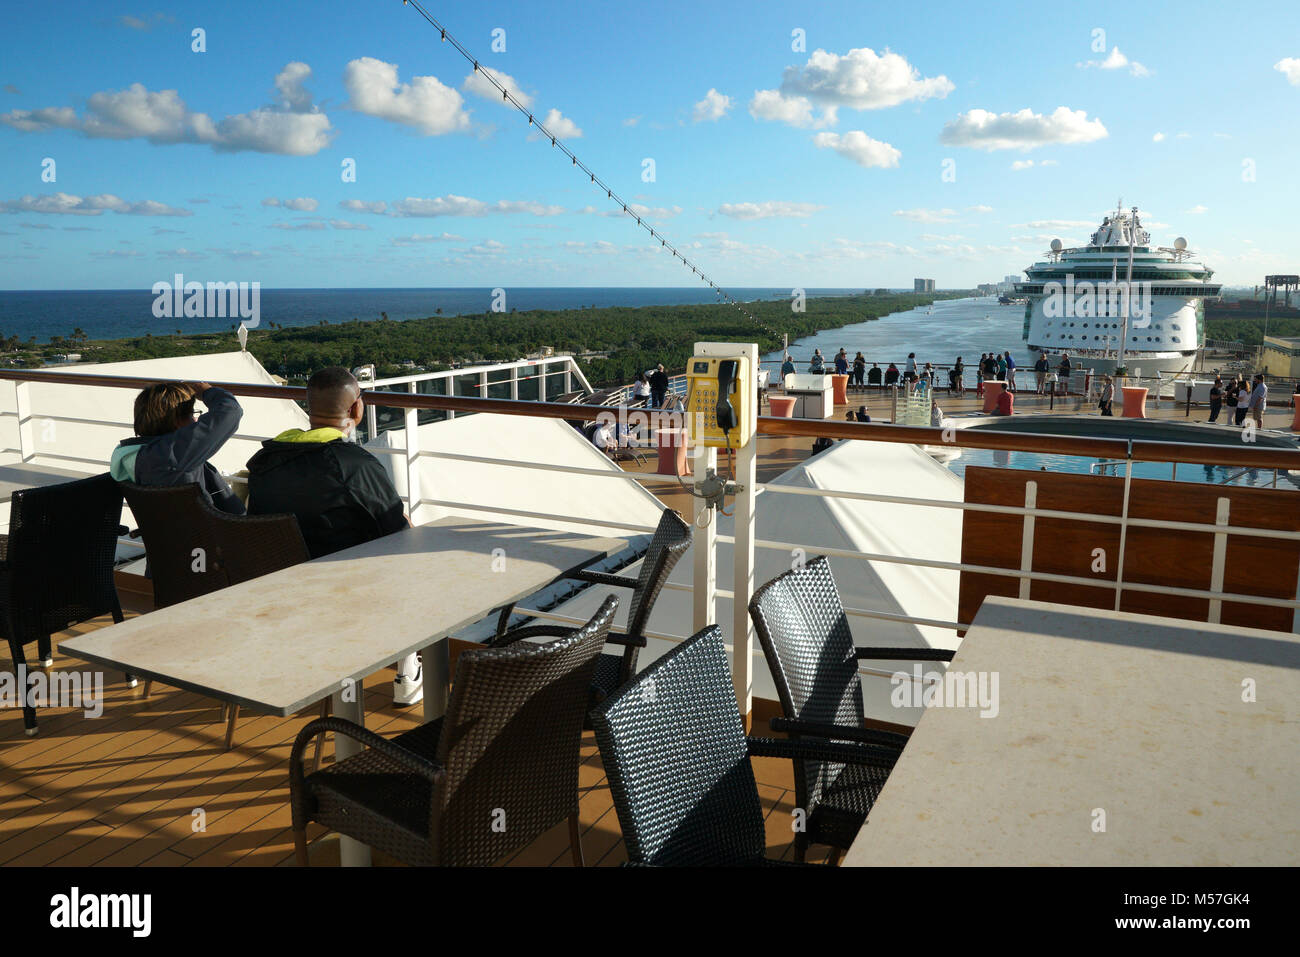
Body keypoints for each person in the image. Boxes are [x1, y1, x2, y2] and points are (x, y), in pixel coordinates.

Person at [246, 367, 414, 701]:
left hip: (280, 594)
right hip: (343, 597)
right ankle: (408, 673)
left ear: (309, 409)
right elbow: (397, 533)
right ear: (356, 410)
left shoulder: (264, 461)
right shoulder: (354, 465)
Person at [110, 381, 245, 515]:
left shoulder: (129, 452)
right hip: (212, 532)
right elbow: (230, 411)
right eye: (192, 414)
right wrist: (207, 392)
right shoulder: (172, 454)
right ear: (177, 421)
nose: (196, 420)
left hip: (171, 531)